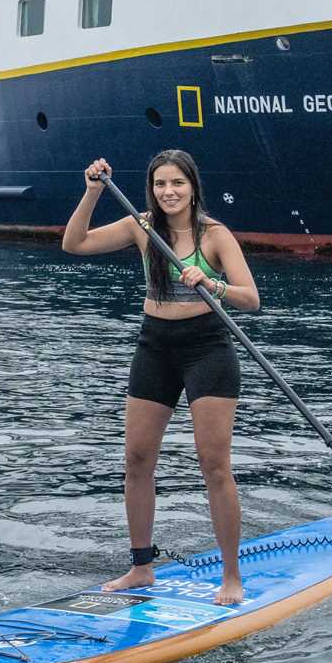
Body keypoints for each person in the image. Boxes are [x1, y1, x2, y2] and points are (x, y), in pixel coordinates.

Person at [62, 151, 261, 605]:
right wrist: (92, 192)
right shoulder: (141, 225)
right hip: (155, 347)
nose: (168, 192)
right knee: (136, 459)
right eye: (159, 185)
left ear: (193, 187)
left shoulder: (215, 235)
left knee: (214, 465)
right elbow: (74, 244)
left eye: (177, 184)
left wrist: (213, 285)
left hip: (207, 348)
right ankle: (141, 567)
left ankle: (231, 577)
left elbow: (250, 299)